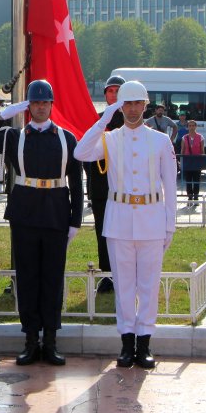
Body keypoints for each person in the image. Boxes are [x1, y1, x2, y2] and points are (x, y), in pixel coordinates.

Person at [0, 79, 83, 366]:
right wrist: (2, 115)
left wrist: (76, 220)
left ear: (51, 105)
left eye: (45, 103)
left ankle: (51, 341)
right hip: (25, 214)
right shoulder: (14, 137)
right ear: (28, 106)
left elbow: (76, 183)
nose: (40, 107)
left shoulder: (67, 139)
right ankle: (31, 340)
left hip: (57, 213)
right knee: (28, 277)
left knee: (52, 280)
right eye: (35, 103)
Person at [74, 80, 177, 370]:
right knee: (124, 286)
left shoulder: (160, 141)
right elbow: (81, 152)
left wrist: (170, 225)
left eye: (137, 103)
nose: (132, 109)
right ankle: (126, 343)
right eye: (127, 104)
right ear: (121, 106)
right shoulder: (110, 139)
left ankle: (144, 343)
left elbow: (170, 185)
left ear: (145, 105)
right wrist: (104, 119)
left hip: (152, 220)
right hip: (119, 221)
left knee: (148, 285)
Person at [84, 75, 125, 295]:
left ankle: (124, 273)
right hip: (101, 187)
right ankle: (107, 274)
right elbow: (85, 150)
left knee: (124, 233)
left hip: (124, 188)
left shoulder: (132, 119)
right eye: (110, 91)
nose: (114, 95)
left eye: (118, 90)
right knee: (103, 232)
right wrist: (91, 184)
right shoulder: (98, 120)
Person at [179, 119, 206, 208]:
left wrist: (202, 162)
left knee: (197, 180)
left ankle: (196, 198)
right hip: (188, 160)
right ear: (187, 127)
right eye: (190, 126)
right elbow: (182, 150)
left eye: (193, 125)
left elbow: (202, 151)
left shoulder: (200, 137)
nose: (191, 127)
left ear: (195, 126)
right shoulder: (184, 138)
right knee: (189, 181)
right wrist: (181, 161)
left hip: (197, 160)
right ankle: (190, 198)